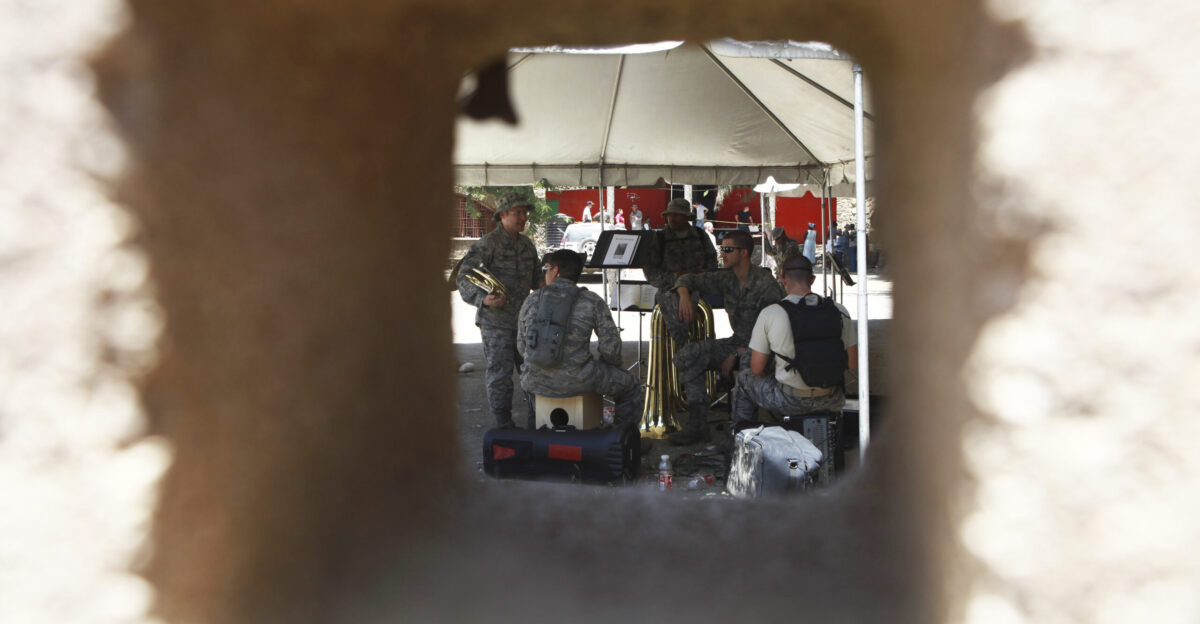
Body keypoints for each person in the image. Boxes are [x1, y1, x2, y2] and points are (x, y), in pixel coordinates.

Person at [666, 229, 785, 445]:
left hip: (763, 349)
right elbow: (688, 278)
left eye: (728, 250)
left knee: (748, 361)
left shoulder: (765, 284)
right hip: (737, 342)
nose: (723, 254)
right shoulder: (727, 278)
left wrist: (738, 352)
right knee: (689, 355)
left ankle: (743, 432)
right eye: (722, 249)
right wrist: (684, 294)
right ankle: (697, 424)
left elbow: (774, 331)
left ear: (745, 253)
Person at [517, 250, 644, 425]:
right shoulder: (592, 301)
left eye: (546, 268)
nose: (545, 273)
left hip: (535, 380)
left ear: (555, 271)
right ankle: (621, 440)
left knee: (528, 377)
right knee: (630, 385)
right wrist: (602, 367)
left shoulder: (531, 300)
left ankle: (535, 429)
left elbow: (522, 347)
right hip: (580, 380)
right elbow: (611, 351)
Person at [731, 254, 857, 427]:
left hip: (790, 400)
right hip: (832, 399)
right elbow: (852, 363)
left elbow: (757, 368)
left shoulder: (771, 313)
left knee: (744, 380)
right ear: (812, 279)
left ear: (782, 279)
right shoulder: (839, 311)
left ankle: (743, 436)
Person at [456, 195, 542, 428]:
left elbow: (537, 280)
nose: (523, 218)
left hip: (524, 321)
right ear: (502, 215)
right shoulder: (487, 244)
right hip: (496, 322)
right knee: (500, 373)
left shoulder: (526, 245)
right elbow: (463, 277)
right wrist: (483, 299)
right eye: (518, 213)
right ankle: (503, 423)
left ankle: (538, 419)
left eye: (525, 213)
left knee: (532, 371)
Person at [642, 198, 719, 348]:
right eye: (670, 215)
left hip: (698, 286)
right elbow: (650, 269)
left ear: (686, 217)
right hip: (669, 288)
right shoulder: (660, 238)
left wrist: (700, 277)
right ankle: (681, 350)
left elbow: (712, 261)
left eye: (677, 215)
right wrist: (675, 279)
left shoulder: (700, 235)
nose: (672, 218)